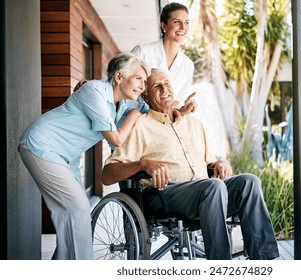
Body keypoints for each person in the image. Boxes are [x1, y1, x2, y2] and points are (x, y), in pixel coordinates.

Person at [101, 69, 280, 260]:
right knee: (214, 186)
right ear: (145, 96)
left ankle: (265, 260)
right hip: (166, 195)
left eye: (166, 83)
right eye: (156, 86)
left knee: (249, 182)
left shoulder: (193, 123)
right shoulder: (141, 126)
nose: (164, 89)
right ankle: (220, 266)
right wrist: (142, 164)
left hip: (207, 192)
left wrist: (221, 162)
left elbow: (210, 161)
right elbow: (107, 174)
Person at [18, 53, 151, 260]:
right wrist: (134, 117)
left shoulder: (122, 105)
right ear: (118, 77)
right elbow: (116, 139)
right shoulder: (94, 91)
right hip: (42, 144)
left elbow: (151, 108)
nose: (143, 86)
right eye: (138, 79)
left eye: (145, 81)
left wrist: (178, 109)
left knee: (69, 217)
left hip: (66, 158)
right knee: (79, 209)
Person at [132, 2, 194, 106]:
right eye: (177, 22)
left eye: (186, 22)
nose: (183, 27)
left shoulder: (187, 65)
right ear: (163, 25)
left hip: (162, 121)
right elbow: (125, 87)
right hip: (133, 116)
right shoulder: (142, 52)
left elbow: (175, 103)